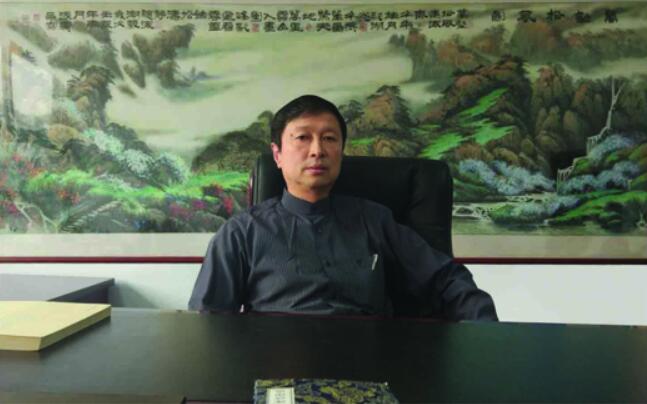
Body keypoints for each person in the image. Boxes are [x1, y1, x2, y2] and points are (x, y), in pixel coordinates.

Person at [189, 95, 497, 321]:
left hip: (367, 367)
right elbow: (209, 321)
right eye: (302, 138)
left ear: (341, 151)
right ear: (278, 154)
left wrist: (485, 331)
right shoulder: (241, 233)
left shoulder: (374, 220)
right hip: (278, 369)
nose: (317, 150)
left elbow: (445, 279)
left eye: (329, 138)